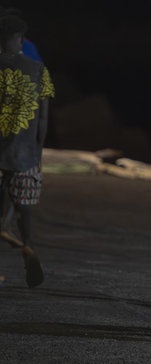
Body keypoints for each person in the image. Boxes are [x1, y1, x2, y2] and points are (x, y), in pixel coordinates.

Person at [0, 15, 54, 287]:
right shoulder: (38, 70)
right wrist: (38, 151)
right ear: (20, 39)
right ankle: (28, 247)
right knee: (23, 211)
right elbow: (43, 119)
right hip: (26, 155)